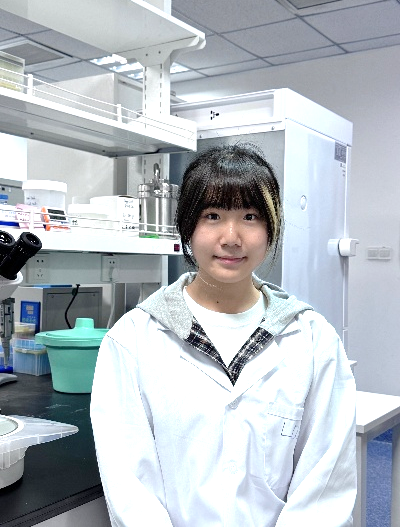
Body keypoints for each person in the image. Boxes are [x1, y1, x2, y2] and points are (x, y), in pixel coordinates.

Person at [90, 143, 357, 527]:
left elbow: (325, 481)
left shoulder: (313, 340)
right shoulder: (132, 339)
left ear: (271, 229)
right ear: (187, 226)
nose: (231, 237)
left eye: (250, 216)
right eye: (212, 215)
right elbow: (130, 484)